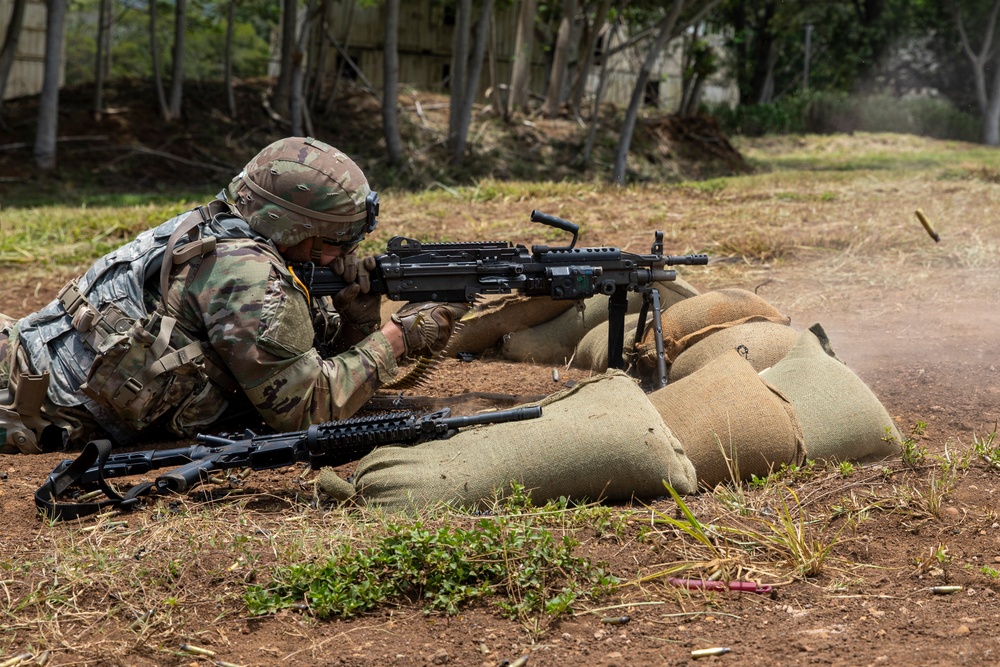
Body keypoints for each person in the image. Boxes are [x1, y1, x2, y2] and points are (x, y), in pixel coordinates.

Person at [0, 137, 465, 454]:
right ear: (297, 228)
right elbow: (307, 410)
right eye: (339, 243)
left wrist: (356, 320)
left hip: (25, 352)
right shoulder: (248, 275)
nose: (345, 256)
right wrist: (400, 337)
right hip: (28, 411)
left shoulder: (220, 224)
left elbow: (288, 360)